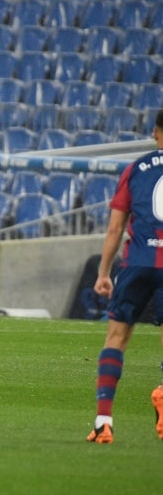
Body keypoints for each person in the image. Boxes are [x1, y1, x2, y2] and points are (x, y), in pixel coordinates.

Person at [87, 109, 163, 444]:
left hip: (138, 262)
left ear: (155, 132)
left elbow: (115, 227)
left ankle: (104, 421)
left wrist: (104, 273)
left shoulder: (135, 169)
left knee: (116, 337)